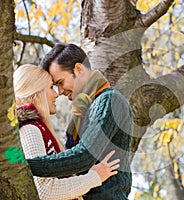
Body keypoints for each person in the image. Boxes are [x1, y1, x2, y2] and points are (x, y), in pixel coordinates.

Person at [26, 43, 133, 199]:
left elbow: (83, 156)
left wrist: (23, 164)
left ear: (79, 69)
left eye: (60, 83)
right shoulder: (82, 112)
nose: (60, 92)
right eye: (55, 87)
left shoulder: (109, 101)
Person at [14, 64, 121, 200]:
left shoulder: (37, 128)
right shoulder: (30, 129)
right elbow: (44, 190)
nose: (56, 94)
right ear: (36, 92)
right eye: (51, 87)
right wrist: (94, 177)